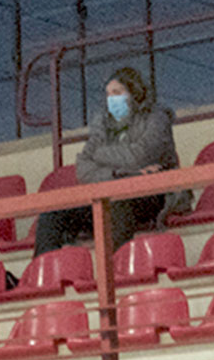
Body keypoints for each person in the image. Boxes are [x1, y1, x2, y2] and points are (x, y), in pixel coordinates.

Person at [33, 67, 183, 255]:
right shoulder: (102, 123)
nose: (111, 99)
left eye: (117, 93)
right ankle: (42, 270)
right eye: (108, 94)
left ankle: (115, 267)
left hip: (152, 196)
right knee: (53, 214)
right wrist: (122, 173)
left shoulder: (156, 117)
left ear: (134, 93)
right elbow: (84, 169)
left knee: (116, 205)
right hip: (108, 195)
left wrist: (100, 155)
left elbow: (139, 156)